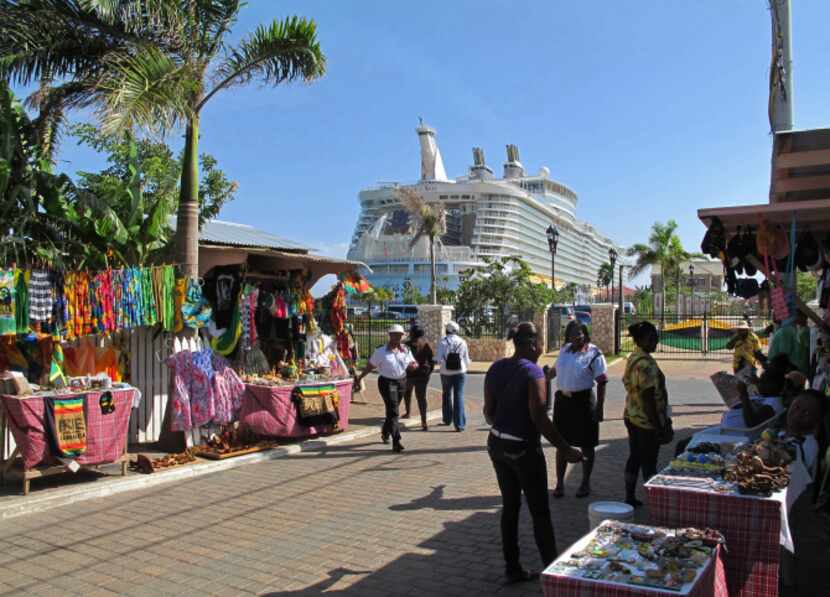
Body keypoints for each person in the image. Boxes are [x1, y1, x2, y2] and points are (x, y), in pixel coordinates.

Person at [484, 322, 583, 584]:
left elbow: (488, 412)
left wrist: (506, 423)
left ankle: (512, 568)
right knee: (540, 512)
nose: (542, 347)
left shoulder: (496, 368)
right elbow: (539, 417)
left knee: (510, 508)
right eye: (541, 342)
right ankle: (552, 576)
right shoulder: (533, 373)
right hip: (523, 450)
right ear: (532, 344)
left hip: (497, 445)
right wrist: (566, 448)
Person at [547, 321, 608, 498]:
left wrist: (600, 408)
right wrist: (544, 375)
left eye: (580, 333)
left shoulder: (594, 353)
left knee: (586, 445)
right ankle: (559, 484)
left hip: (583, 403)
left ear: (586, 334)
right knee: (562, 444)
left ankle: (585, 483)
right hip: (563, 403)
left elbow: (602, 382)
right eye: (573, 334)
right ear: (568, 336)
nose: (576, 337)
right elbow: (555, 370)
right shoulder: (565, 350)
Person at [623, 321, 672, 508]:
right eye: (651, 339)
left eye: (656, 338)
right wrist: (659, 427)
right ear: (640, 340)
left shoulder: (634, 357)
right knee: (649, 462)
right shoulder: (646, 365)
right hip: (646, 421)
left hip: (631, 415)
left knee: (634, 457)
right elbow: (648, 398)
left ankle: (629, 496)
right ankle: (655, 503)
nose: (655, 342)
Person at [355, 324, 417, 452]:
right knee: (394, 411)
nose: (397, 337)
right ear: (390, 336)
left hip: (401, 382)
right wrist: (360, 377)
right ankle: (396, 440)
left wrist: (414, 365)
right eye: (394, 335)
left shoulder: (406, 350)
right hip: (387, 383)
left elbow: (412, 362)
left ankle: (385, 432)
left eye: (399, 335)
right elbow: (370, 366)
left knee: (392, 411)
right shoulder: (381, 351)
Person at [436, 321, 471, 431]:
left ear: (447, 330)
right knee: (459, 395)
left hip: (445, 372)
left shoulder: (443, 342)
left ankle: (447, 419)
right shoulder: (462, 342)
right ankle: (459, 424)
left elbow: (438, 359)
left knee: (446, 394)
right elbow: (466, 360)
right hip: (460, 372)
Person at [403, 324, 434, 431]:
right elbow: (431, 361)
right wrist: (429, 372)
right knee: (421, 398)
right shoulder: (426, 344)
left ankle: (408, 412)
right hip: (423, 375)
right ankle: (424, 421)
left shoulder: (406, 345)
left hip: (410, 374)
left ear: (412, 334)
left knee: (407, 393)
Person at [768, 311, 811, 377]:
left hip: (788, 372)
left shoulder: (786, 331)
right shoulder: (787, 330)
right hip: (793, 370)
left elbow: (783, 354)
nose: (773, 316)